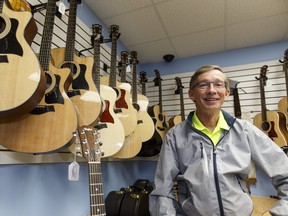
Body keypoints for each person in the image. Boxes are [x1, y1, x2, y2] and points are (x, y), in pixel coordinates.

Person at [149, 65, 288, 216]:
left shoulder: (245, 130)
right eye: (203, 85)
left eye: (218, 84)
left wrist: (281, 212)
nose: (212, 90)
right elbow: (162, 190)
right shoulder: (175, 136)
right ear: (191, 94)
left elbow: (284, 172)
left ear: (227, 93)